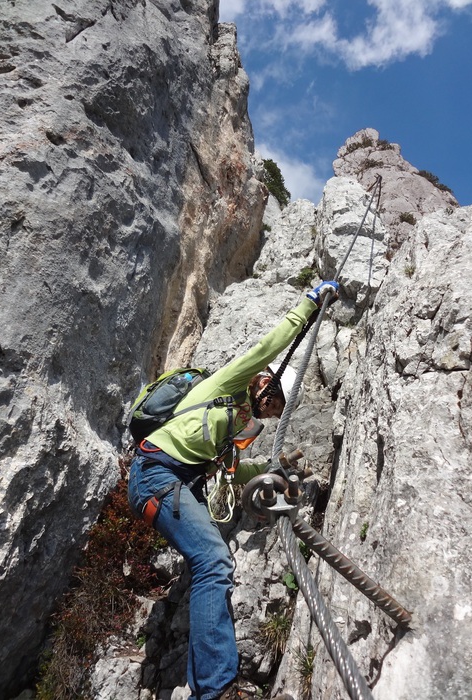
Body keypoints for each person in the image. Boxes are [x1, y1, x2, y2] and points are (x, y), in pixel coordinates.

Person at [128, 281, 339, 700]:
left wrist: (276, 468)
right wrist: (309, 305)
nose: (273, 415)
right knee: (214, 561)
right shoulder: (225, 387)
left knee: (211, 563)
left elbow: (236, 471)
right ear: (267, 387)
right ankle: (216, 689)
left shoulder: (231, 425)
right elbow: (265, 349)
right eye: (276, 405)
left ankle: (207, 683)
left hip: (166, 482)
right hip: (155, 476)